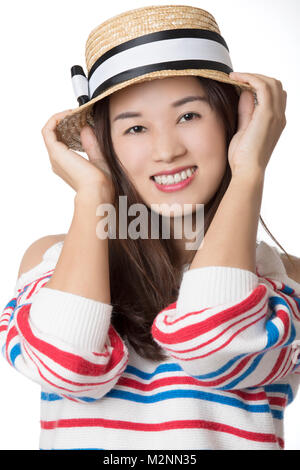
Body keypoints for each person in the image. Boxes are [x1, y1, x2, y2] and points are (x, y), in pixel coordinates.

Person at [1, 4, 300, 451]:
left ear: (234, 122)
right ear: (103, 144)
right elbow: (66, 369)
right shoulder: (53, 262)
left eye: (189, 116)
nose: (166, 151)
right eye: (135, 127)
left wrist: (249, 171)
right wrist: (92, 195)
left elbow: (212, 342)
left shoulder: (283, 280)